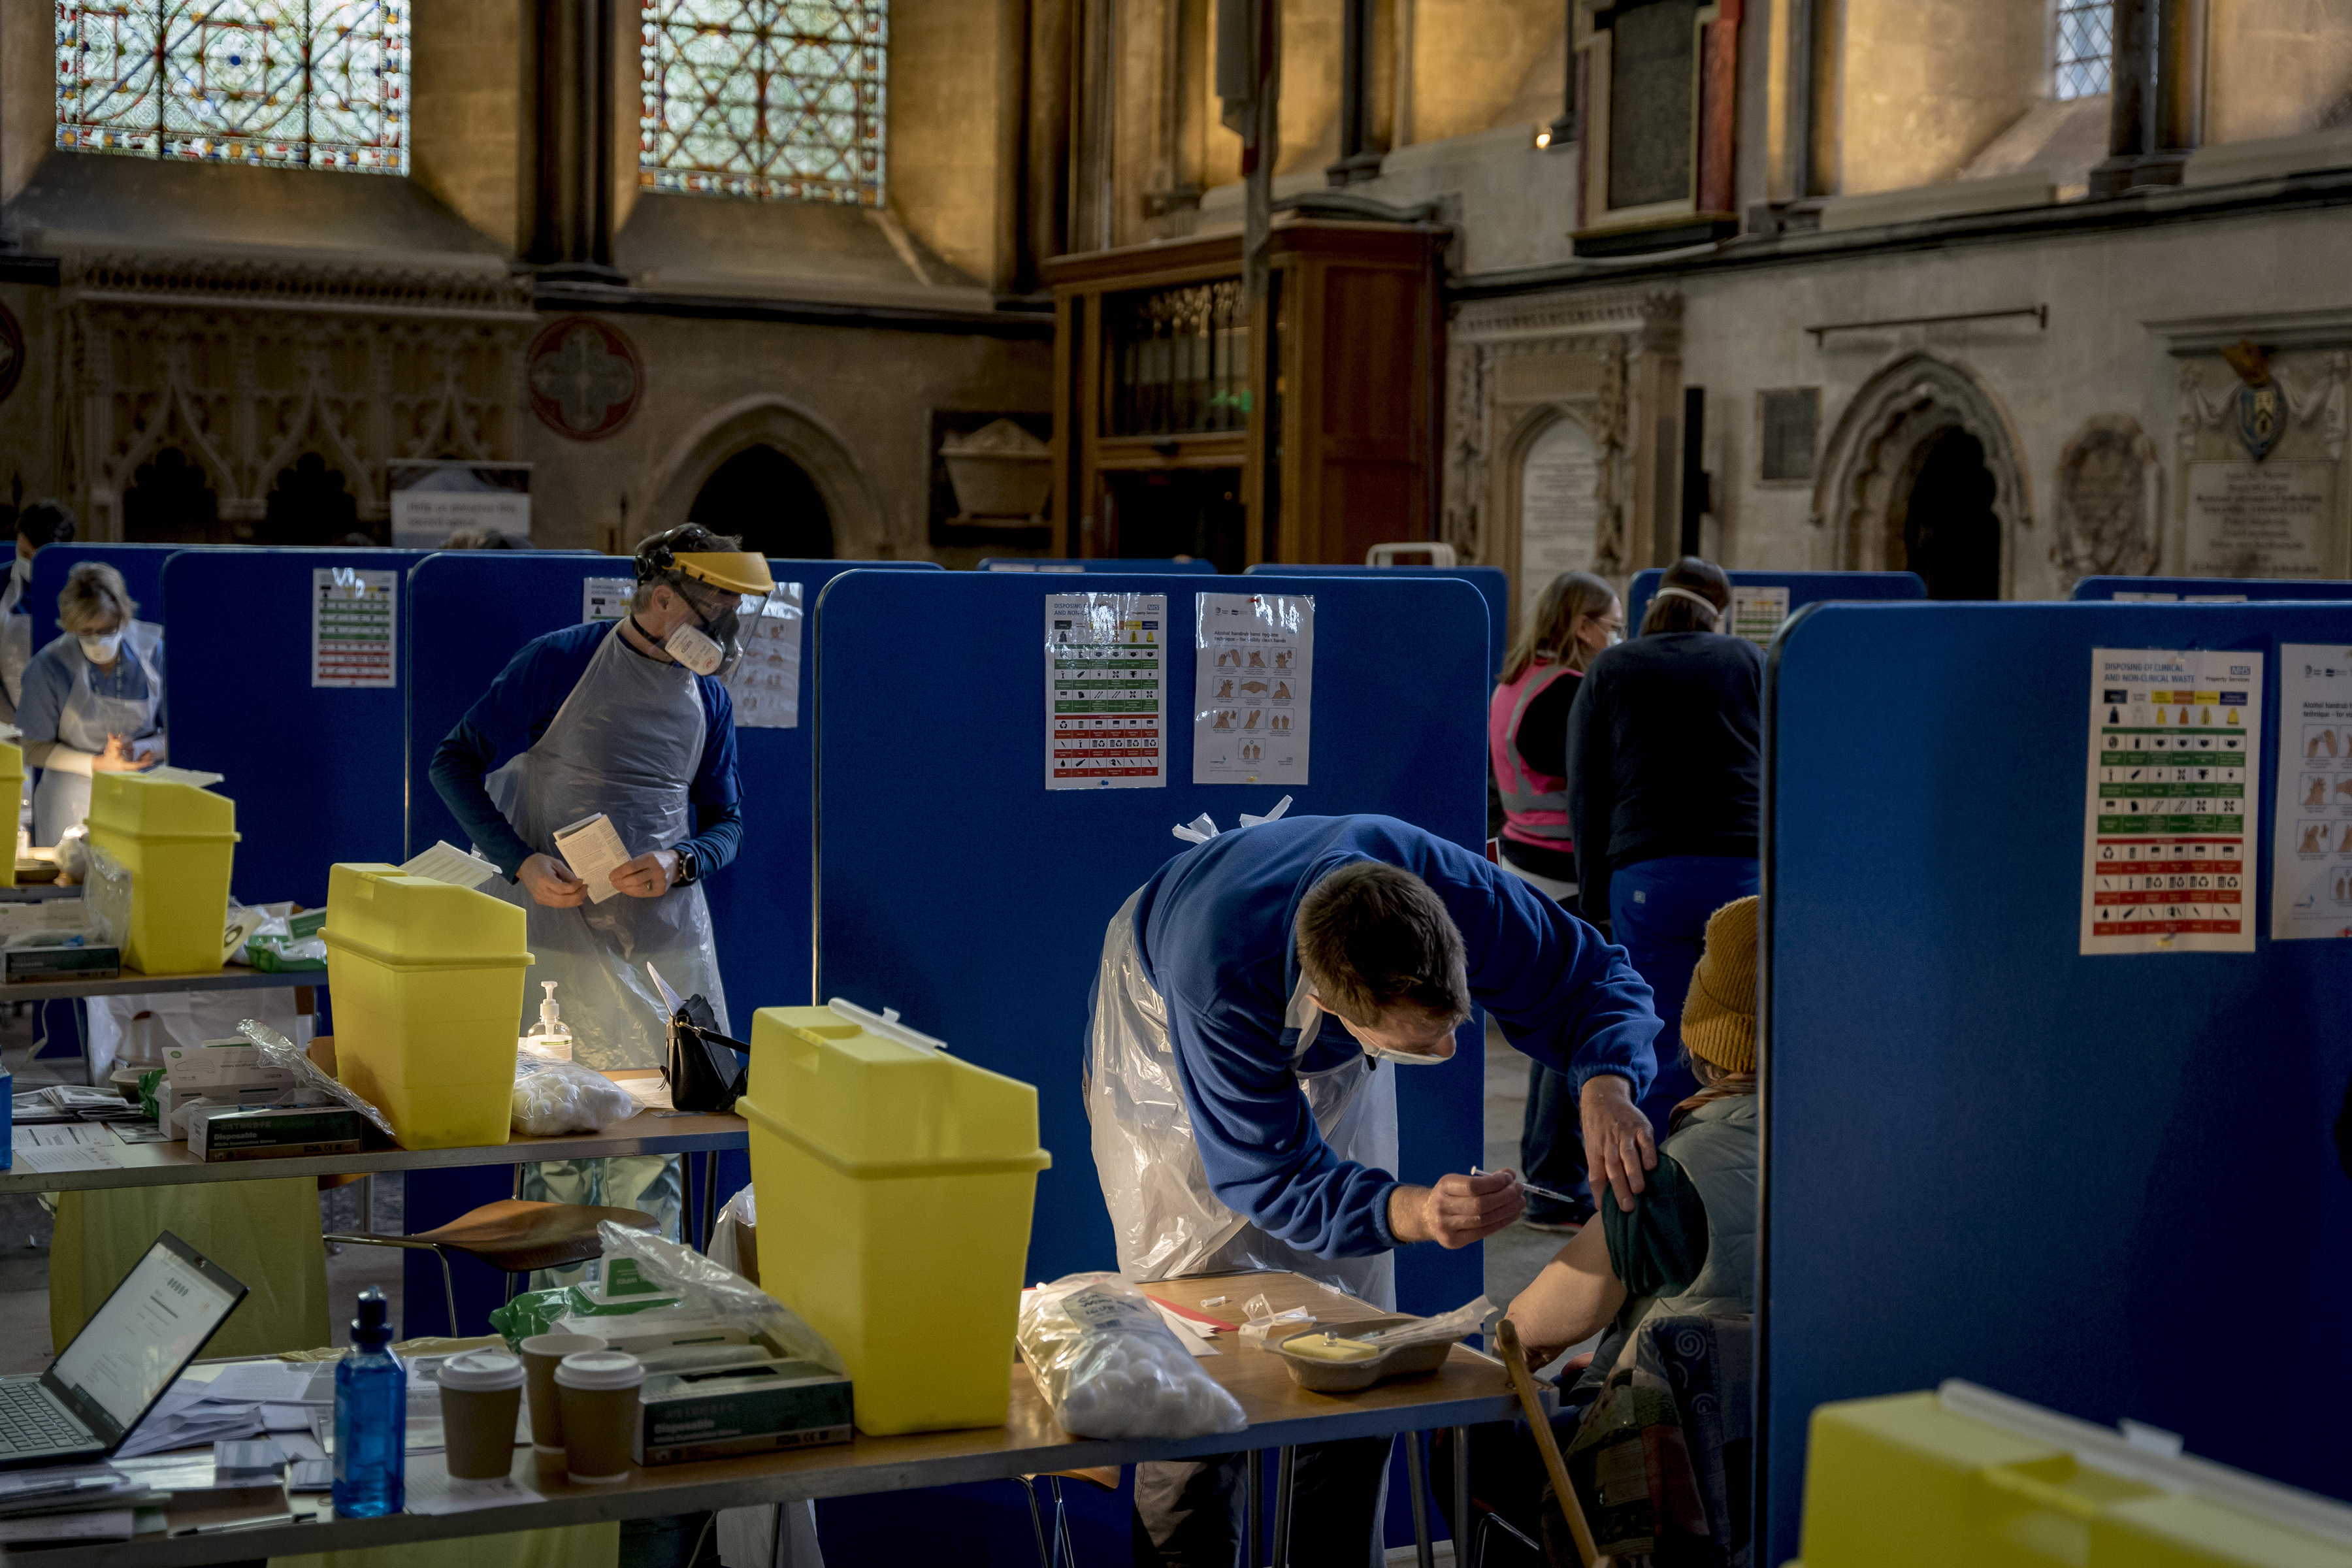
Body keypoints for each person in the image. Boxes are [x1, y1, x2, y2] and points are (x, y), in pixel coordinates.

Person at [1086, 813, 1661, 1568]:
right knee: (1196, 1359)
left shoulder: (1452, 891)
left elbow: (1595, 977)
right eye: (1425, 1042)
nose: (1451, 1050)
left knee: (1357, 1350)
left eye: (1453, 1023)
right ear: (1332, 1005)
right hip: (1163, 1037)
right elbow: (1269, 1172)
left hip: (1316, 1008)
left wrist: (1606, 1085)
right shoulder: (1216, 973)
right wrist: (1418, 1210)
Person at [430, 523, 770, 1258]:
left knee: (654, 1154)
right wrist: (519, 860)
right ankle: (558, 1342)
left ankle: (641, 1330)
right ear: (660, 597)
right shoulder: (560, 661)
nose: (726, 624)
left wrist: (682, 861)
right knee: (557, 1146)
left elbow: (729, 822)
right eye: (715, 603)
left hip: (665, 947)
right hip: (560, 943)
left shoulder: (707, 700)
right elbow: (453, 762)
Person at [1437, 896, 1759, 1567]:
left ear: (1705, 1029)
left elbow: (1529, 1330)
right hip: (1796, 1461)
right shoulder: (1883, 1155)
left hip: (1671, 1484)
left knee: (1464, 1437)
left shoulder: (1666, 1177)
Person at [1563, 557, 1761, 1133]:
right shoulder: (1752, 662)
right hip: (1741, 877)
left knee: (1651, 1026)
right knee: (1740, 1032)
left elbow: (1586, 790)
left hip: (1648, 877)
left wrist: (1594, 896)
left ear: (1655, 606)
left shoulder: (1613, 668)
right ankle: (1733, 1162)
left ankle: (1652, 1184)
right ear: (1718, 614)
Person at [1490, 570, 1623, 1231]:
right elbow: (1593, 779)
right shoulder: (1569, 693)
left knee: (1554, 1026)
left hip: (1523, 860)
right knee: (1569, 1031)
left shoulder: (1518, 680)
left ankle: (1550, 1178)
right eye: (1612, 623)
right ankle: (1553, 1182)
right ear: (1580, 624)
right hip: (1561, 871)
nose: (1616, 637)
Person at [20, 561, 165, 847]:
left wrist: (144, 748)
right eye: (87, 632)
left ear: (123, 617)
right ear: (71, 626)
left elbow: (185, 734)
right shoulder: (50, 666)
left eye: (108, 628)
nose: (99, 640)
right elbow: (31, 746)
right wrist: (97, 764)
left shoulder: (154, 652)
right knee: (76, 883)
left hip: (143, 792)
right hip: (71, 800)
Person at [0, 498, 76, 725]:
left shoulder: (82, 587)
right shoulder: (1, 584)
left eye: (38, 558)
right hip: (8, 717)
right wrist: (8, 724)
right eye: (23, 554)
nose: (29, 564)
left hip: (71, 719)